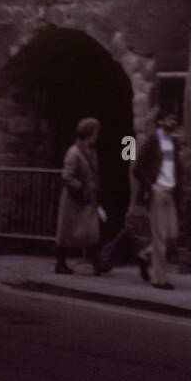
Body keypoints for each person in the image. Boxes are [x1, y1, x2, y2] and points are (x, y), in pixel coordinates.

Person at [54, 116, 110, 276]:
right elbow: (67, 176)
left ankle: (97, 262)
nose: (97, 136)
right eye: (95, 133)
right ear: (88, 134)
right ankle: (60, 263)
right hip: (73, 199)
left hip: (88, 198)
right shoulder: (74, 152)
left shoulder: (92, 151)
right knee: (66, 233)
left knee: (94, 230)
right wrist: (81, 188)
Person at [133, 112, 182, 290]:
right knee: (160, 238)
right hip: (158, 192)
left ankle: (145, 255)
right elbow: (137, 169)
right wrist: (151, 187)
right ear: (160, 122)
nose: (174, 121)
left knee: (172, 236)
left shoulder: (174, 143)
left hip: (170, 193)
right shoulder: (153, 141)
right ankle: (159, 280)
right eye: (170, 118)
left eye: (175, 119)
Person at [99, 160, 152, 280]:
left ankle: (109, 255)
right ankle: (107, 255)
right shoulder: (139, 144)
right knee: (133, 228)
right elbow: (136, 168)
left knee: (138, 230)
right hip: (141, 193)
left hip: (142, 192)